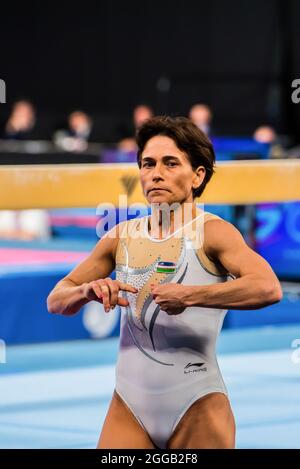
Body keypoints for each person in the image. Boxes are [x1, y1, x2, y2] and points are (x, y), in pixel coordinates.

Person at [47, 116, 282, 449]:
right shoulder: (120, 236)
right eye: (148, 164)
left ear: (198, 175)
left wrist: (191, 295)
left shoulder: (213, 233)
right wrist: (87, 291)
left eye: (170, 163)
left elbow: (267, 287)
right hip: (128, 406)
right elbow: (56, 299)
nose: (155, 174)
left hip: (196, 405)